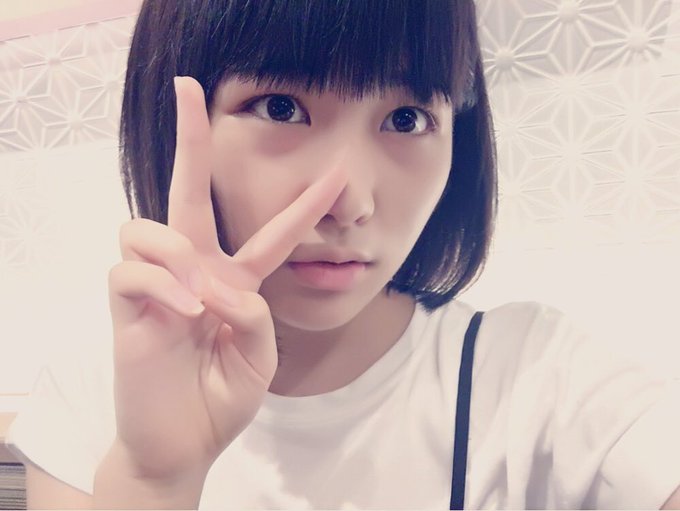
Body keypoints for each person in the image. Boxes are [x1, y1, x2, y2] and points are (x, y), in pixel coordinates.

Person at [7, 0, 680, 509]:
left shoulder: (537, 376)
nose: (349, 201)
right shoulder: (90, 397)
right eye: (280, 107)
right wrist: (152, 481)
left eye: (407, 118)